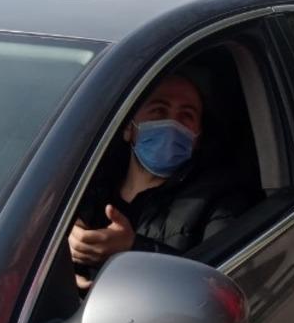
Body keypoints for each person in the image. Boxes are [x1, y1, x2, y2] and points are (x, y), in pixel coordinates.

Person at [68, 71, 255, 290]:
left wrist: (133, 249)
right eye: (159, 110)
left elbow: (216, 284)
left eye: (186, 115)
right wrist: (66, 252)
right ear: (128, 128)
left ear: (197, 138)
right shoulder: (85, 184)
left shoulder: (222, 200)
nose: (172, 124)